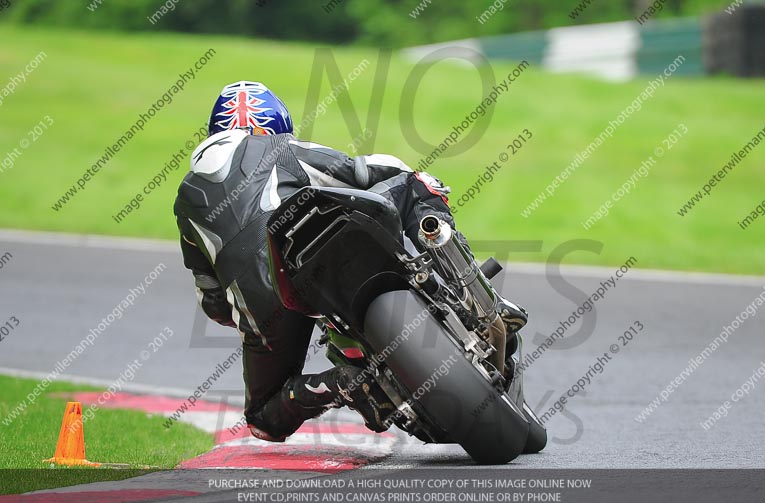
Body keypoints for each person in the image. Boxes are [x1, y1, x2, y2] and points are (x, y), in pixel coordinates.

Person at [174, 80, 528, 442]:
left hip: (264, 304)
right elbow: (369, 170)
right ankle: (475, 294)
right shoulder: (282, 147)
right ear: (278, 124)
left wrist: (247, 311)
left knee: (264, 419)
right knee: (414, 182)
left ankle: (338, 384)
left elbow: (214, 302)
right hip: (331, 244)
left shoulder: (186, 198)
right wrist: (418, 184)